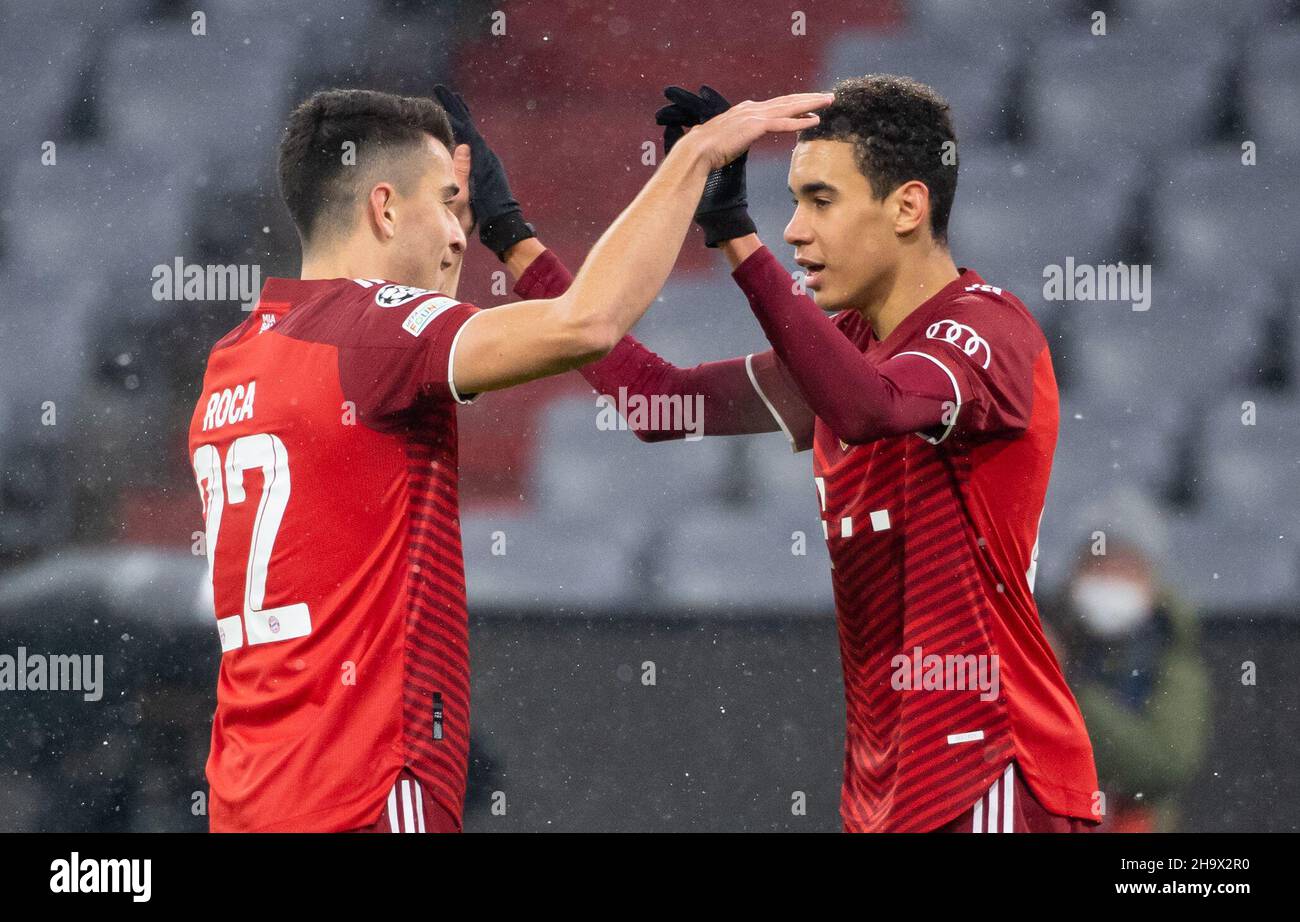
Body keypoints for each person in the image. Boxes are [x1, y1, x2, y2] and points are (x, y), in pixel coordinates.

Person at [462, 75, 1100, 832]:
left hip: (990, 767)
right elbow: (655, 402)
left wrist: (737, 235)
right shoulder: (852, 352)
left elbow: (873, 409)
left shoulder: (986, 330)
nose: (794, 230)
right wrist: (509, 233)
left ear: (908, 207)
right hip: (886, 787)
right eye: (791, 202)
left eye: (820, 201)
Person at [187, 86, 831, 832]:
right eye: (444, 204)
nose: (458, 235)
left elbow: (653, 400)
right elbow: (595, 335)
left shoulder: (236, 360)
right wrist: (693, 162)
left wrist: (492, 234)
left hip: (251, 795)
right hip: (362, 789)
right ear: (385, 208)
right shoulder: (374, 335)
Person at [1043, 489, 1211, 832]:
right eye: (1100, 563)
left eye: (1127, 568)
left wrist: (1060, 686)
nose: (1111, 578)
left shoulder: (1172, 658)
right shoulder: (1041, 634)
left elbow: (1162, 766)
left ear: (1152, 581)